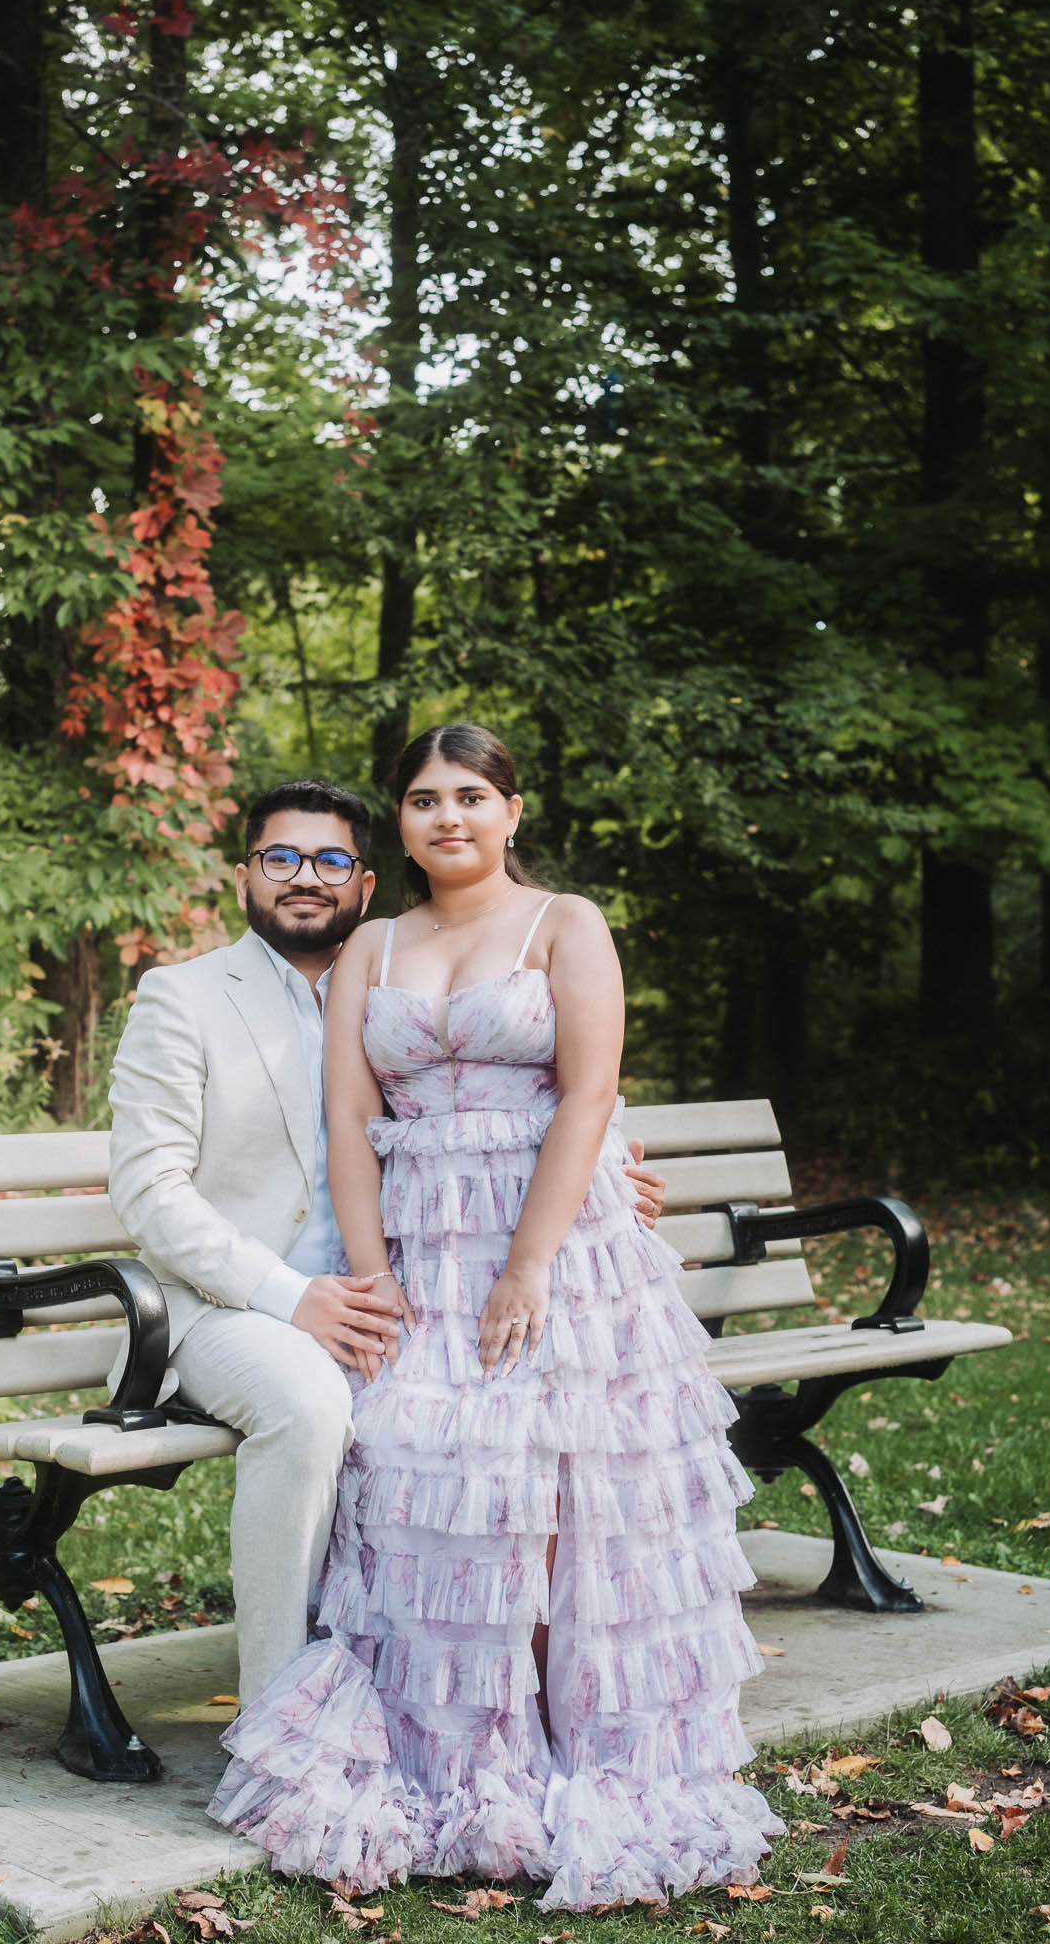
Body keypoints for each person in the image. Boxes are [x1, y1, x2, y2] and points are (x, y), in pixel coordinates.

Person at [207, 724, 784, 1910]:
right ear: (402, 823)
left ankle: (571, 1747)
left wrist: (527, 1266)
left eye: (471, 794)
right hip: (421, 1245)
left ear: (512, 809)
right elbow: (350, 1117)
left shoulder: (564, 923)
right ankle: (461, 1750)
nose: (449, 816)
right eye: (424, 798)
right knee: (421, 1473)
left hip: (555, 1245)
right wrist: (375, 1275)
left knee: (554, 1490)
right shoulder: (373, 944)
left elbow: (587, 1093)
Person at [106, 778, 666, 1710]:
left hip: (410, 1287)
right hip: (230, 1307)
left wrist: (608, 1169)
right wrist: (291, 1295)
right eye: (280, 857)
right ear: (244, 875)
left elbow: (512, 1096)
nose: (305, 877)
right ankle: (283, 1705)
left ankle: (447, 1693)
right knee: (310, 1401)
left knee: (507, 1430)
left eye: (331, 860)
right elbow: (148, 1189)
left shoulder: (397, 974)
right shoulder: (184, 996)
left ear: (364, 884)